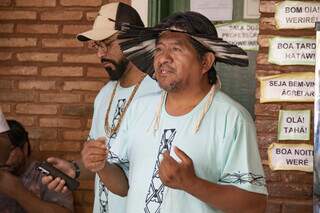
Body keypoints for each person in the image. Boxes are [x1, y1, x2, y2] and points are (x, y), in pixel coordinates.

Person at [83, 11, 268, 213]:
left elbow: (255, 205)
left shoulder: (231, 118)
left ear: (205, 62)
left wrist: (192, 183)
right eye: (159, 49)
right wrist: (101, 166)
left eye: (176, 49)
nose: (163, 58)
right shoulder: (139, 109)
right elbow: (123, 187)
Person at [41, 2, 160, 213]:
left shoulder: (160, 94)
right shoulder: (105, 93)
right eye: (97, 45)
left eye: (107, 43)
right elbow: (99, 161)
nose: (100, 54)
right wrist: (74, 168)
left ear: (134, 39)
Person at [0, 119, 73, 213]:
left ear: (25, 148)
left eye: (7, 151)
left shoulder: (46, 175)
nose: (1, 158)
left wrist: (18, 192)